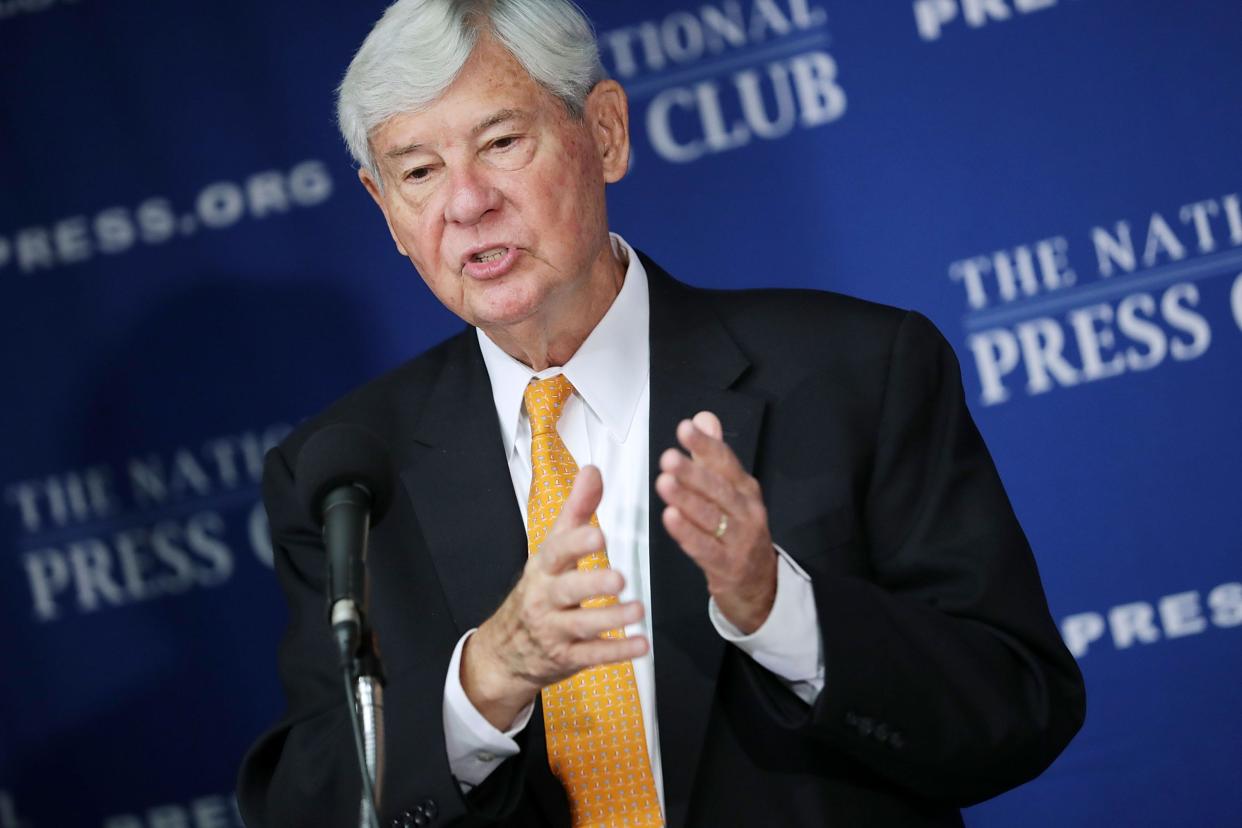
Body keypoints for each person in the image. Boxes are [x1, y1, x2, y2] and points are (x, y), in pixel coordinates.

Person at [237, 1, 1086, 826]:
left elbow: (1019, 706)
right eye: (418, 172)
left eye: (500, 143)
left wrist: (779, 608)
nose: (465, 203)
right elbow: (308, 803)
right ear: (385, 210)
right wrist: (485, 681)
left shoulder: (857, 371)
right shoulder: (345, 474)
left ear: (604, 133)